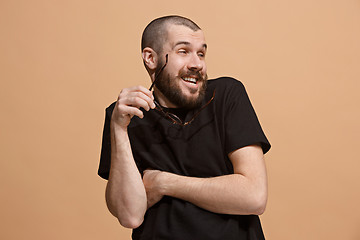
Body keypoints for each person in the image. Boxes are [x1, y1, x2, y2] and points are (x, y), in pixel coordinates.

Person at [98, 15, 271, 240]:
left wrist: (163, 182)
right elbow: (130, 215)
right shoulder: (124, 116)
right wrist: (119, 129)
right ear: (151, 58)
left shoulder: (227, 95)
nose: (197, 64)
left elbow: (254, 196)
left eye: (201, 53)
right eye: (183, 51)